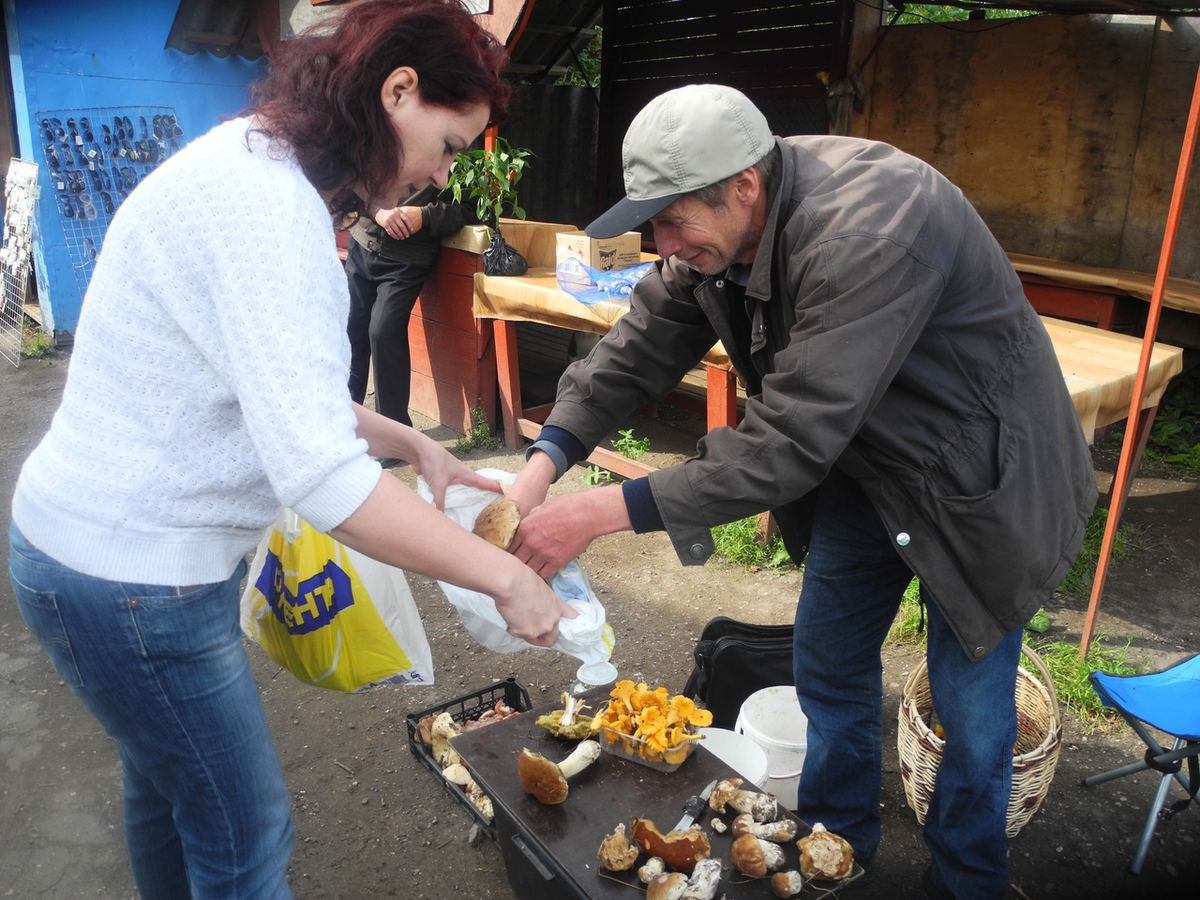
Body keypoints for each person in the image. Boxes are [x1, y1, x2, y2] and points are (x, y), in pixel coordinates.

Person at [6, 2, 571, 898]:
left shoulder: (251, 163)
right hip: (132, 581)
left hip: (88, 550)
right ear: (398, 91)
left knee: (167, 791)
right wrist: (503, 576)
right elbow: (318, 477)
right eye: (452, 145)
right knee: (246, 841)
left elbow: (277, 386)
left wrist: (411, 445)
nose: (439, 175)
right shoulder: (272, 212)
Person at [505, 84, 1097, 900]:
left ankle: (968, 881)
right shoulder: (717, 235)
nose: (661, 241)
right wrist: (543, 464)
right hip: (867, 468)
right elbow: (638, 345)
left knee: (972, 715)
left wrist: (601, 513)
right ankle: (833, 855)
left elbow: (788, 437)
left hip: (980, 480)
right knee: (828, 666)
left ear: (744, 185)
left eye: (672, 218)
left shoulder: (873, 223)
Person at [345, 185, 477, 433]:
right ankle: (340, 423)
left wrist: (425, 215)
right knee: (352, 329)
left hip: (407, 258)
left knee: (383, 331)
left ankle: (394, 435)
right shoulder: (374, 145)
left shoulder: (460, 150)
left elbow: (473, 209)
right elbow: (349, 181)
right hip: (363, 240)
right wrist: (377, 210)